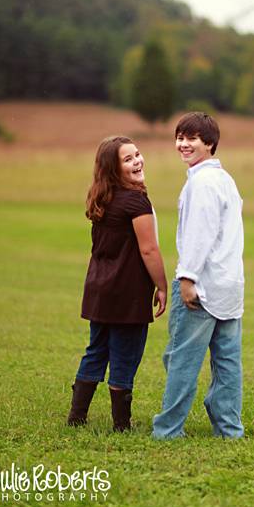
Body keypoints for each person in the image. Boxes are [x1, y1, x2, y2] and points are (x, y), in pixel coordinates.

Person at [152, 112, 245, 440]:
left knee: (181, 359)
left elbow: (199, 234)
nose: (183, 144)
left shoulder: (203, 183)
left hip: (202, 286)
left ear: (210, 143)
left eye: (191, 138)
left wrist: (187, 279)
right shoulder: (224, 180)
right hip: (229, 286)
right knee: (228, 363)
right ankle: (229, 430)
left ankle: (168, 430)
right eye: (179, 137)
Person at [67, 135, 167, 431]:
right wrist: (161, 286)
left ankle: (77, 417)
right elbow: (149, 249)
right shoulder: (136, 200)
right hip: (126, 291)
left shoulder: (102, 196)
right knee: (126, 352)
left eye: (137, 154)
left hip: (99, 289)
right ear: (114, 169)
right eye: (128, 159)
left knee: (96, 349)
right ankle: (121, 424)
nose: (137, 161)